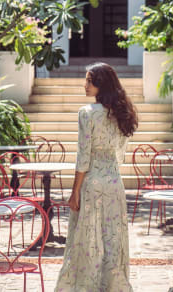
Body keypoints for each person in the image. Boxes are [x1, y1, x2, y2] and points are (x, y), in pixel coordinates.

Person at [55, 62, 138, 292]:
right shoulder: (122, 112)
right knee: (112, 238)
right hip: (113, 182)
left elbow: (83, 157)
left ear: (101, 84)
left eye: (89, 81)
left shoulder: (87, 113)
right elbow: (119, 153)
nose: (85, 85)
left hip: (91, 183)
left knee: (87, 238)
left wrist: (74, 193)